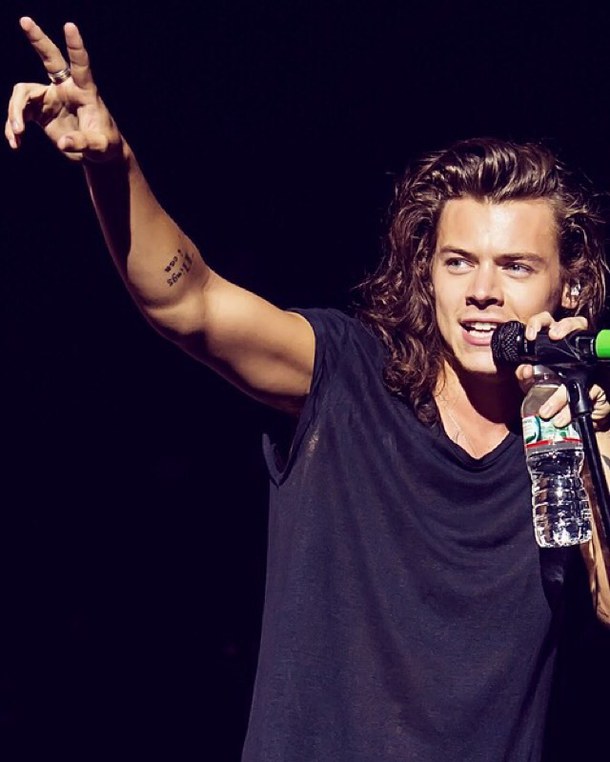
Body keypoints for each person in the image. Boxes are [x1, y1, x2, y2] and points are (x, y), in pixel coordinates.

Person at [6, 16, 610, 762]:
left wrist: (584, 430)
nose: (482, 290)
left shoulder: (572, 439)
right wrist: (112, 163)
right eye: (458, 262)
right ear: (427, 274)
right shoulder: (348, 376)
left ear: (568, 286)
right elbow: (189, 303)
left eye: (515, 267)